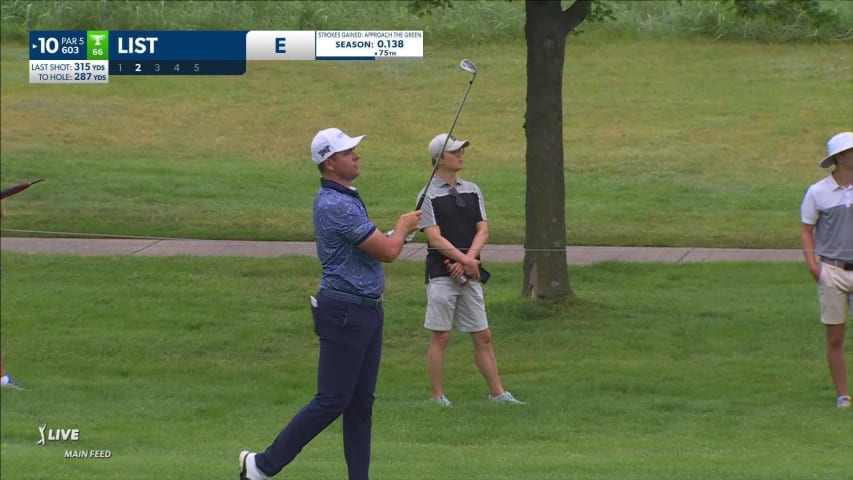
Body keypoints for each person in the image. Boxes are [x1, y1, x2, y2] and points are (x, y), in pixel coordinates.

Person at [238, 128, 421, 480]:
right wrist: (400, 228)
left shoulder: (346, 197)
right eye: (347, 151)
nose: (356, 154)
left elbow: (371, 246)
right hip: (345, 314)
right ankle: (261, 466)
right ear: (329, 163)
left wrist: (400, 232)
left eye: (354, 148)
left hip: (366, 311)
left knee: (360, 404)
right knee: (333, 400)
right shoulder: (336, 204)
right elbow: (389, 252)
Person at [417, 133, 524, 407]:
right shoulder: (427, 195)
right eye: (455, 151)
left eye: (461, 150)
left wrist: (468, 260)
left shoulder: (473, 189)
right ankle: (437, 396)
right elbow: (434, 237)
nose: (461, 154)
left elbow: (482, 229)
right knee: (441, 335)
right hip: (442, 274)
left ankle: (498, 393)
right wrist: (464, 260)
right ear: (439, 159)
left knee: (483, 335)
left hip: (470, 272)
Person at [800, 131, 853, 409]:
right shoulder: (818, 192)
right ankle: (843, 395)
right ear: (841, 157)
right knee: (835, 336)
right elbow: (806, 229)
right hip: (832, 270)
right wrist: (813, 265)